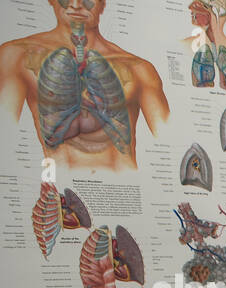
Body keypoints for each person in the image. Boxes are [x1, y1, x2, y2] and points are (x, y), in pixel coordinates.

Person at [0, 0, 169, 171]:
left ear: (103, 3)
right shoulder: (17, 55)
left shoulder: (139, 69)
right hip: (62, 181)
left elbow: (167, 144)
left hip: (123, 182)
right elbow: (5, 132)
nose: (76, 5)